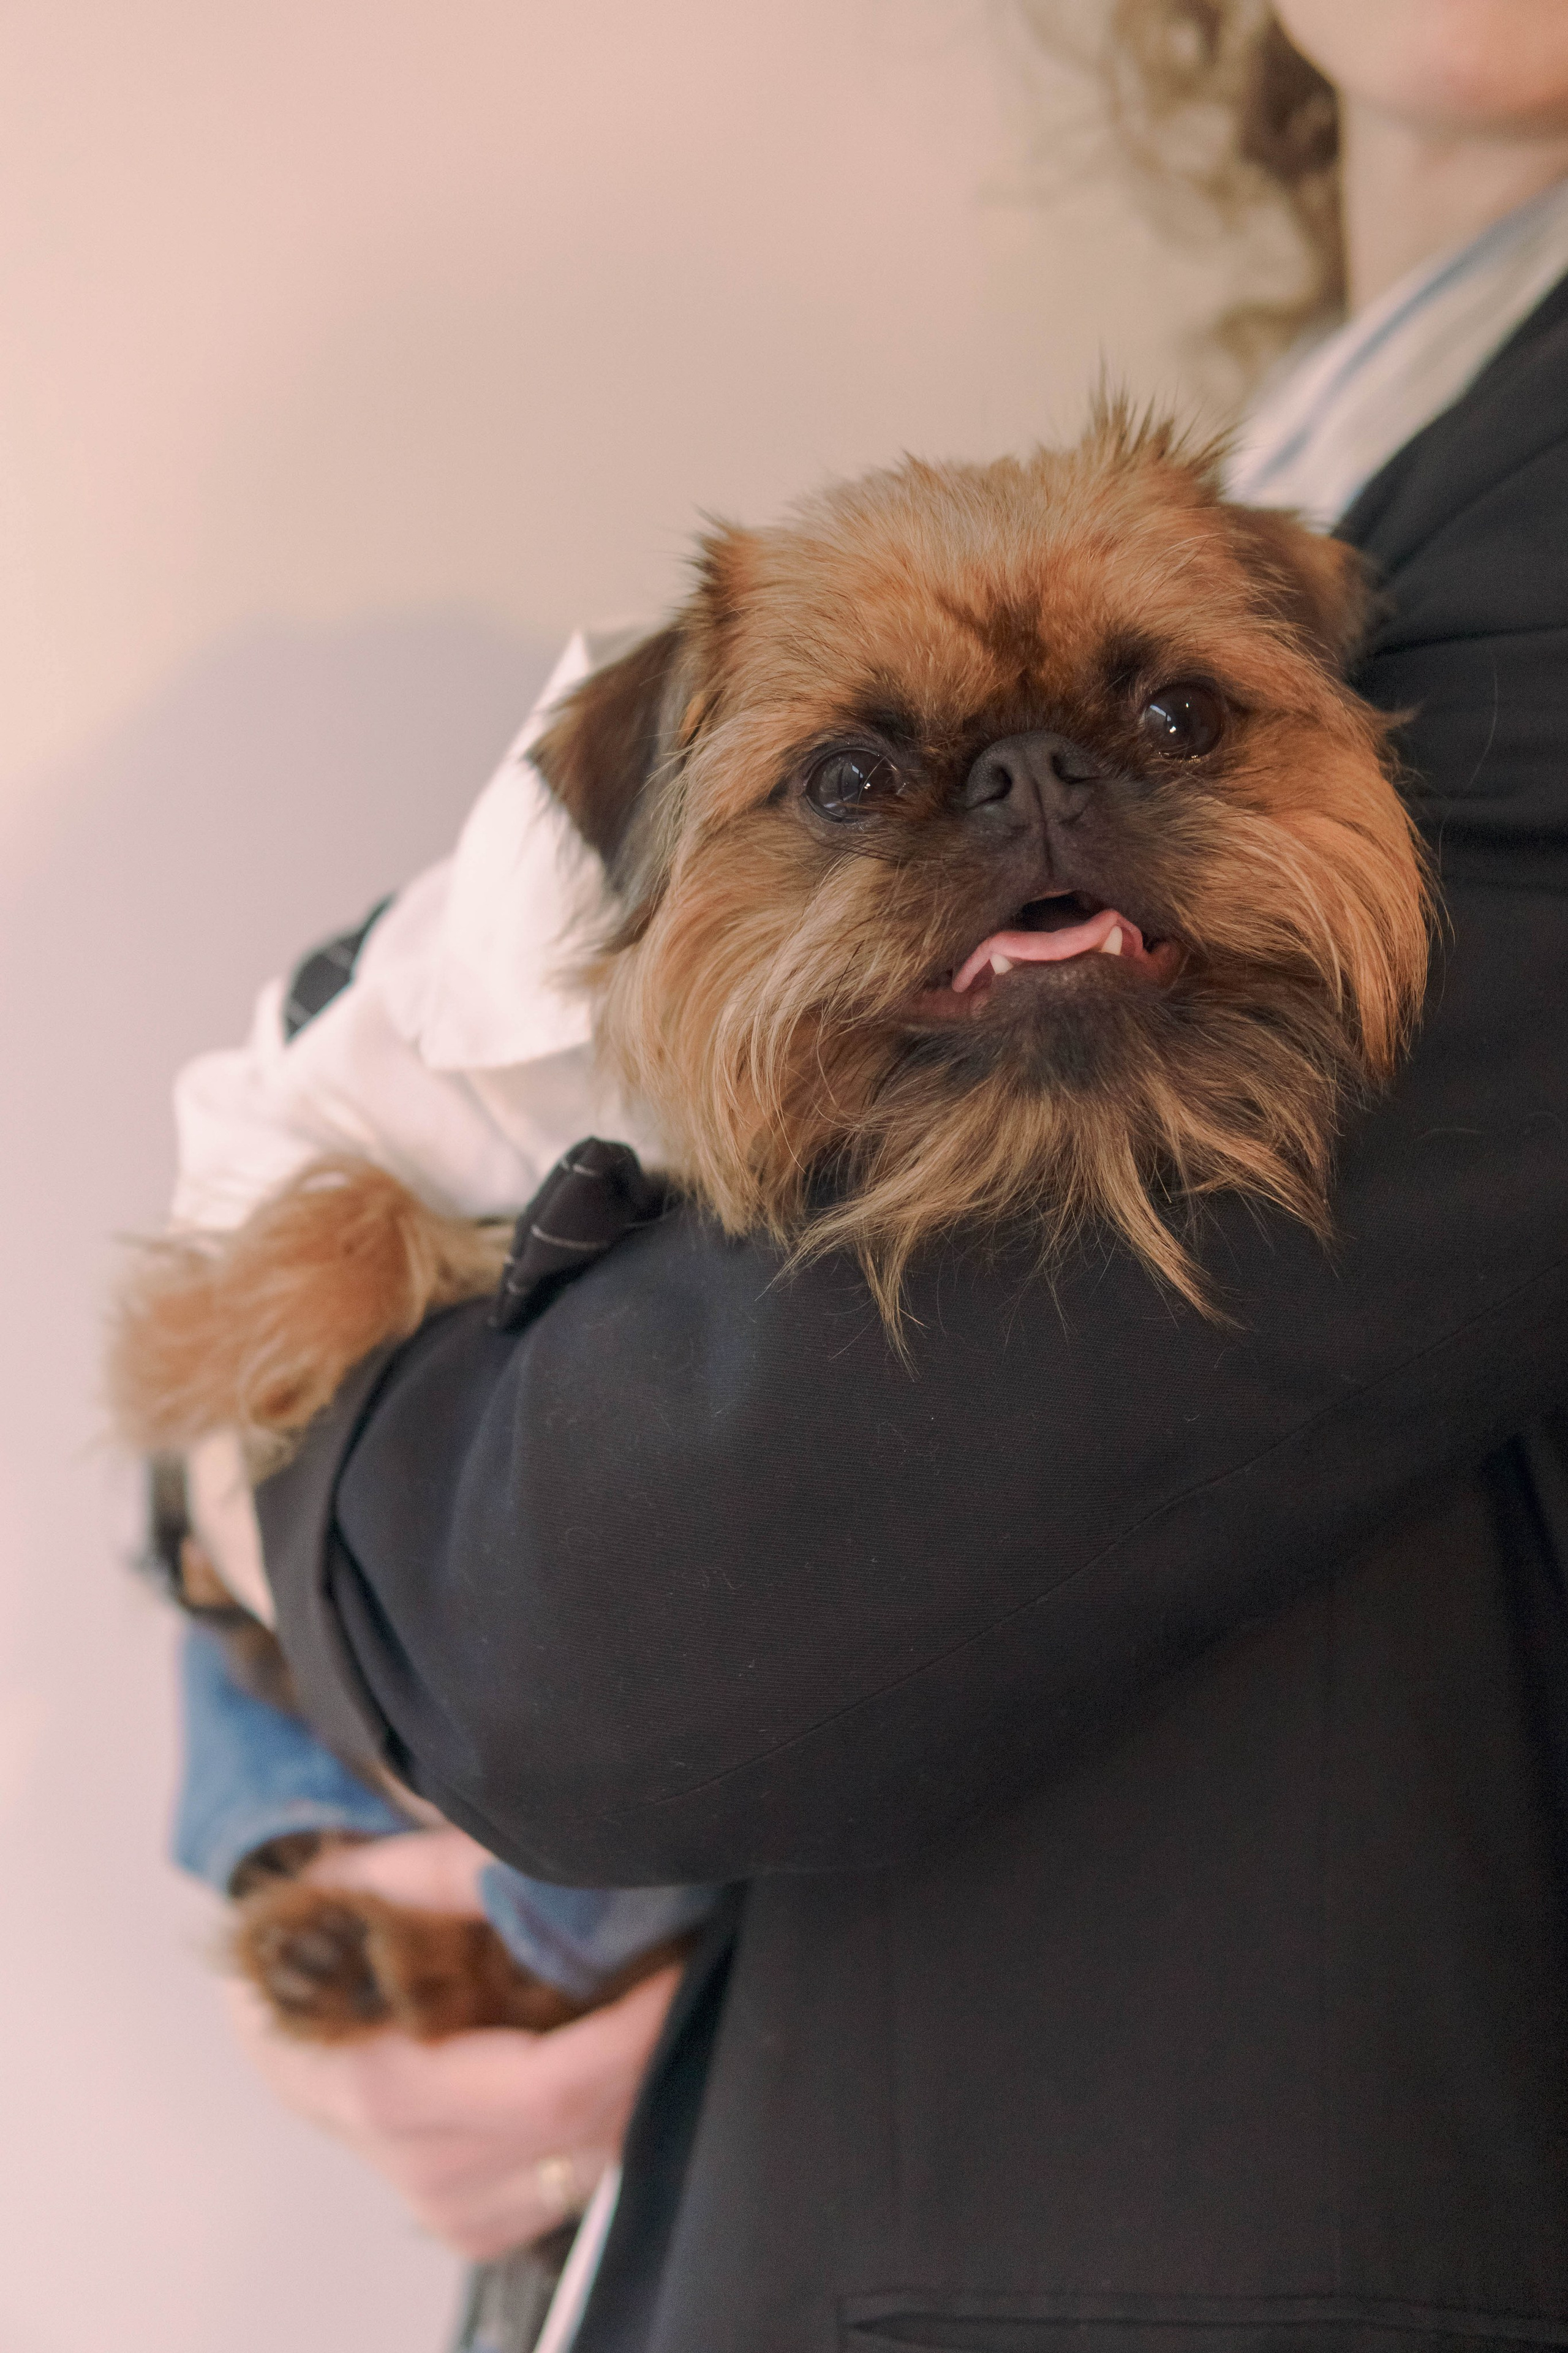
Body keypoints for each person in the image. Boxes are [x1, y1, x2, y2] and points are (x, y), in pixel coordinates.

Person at [176, 2, 1568, 2345]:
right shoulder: (1326, 440)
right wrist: (282, 1753)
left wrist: (260, 1501)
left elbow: (623, 1617)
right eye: (872, 781)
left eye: (1162, 724)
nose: (1038, 808)